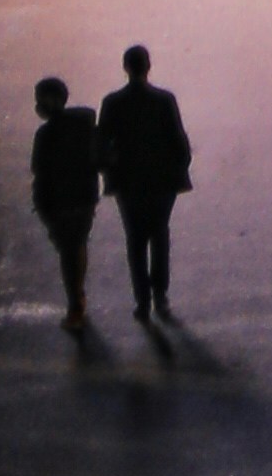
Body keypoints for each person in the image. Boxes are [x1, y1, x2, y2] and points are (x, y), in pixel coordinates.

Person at [94, 48, 192, 324]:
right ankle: (160, 294)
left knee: (135, 240)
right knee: (159, 234)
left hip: (128, 182)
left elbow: (101, 143)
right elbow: (179, 141)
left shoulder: (112, 102)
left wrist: (108, 172)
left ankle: (142, 299)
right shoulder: (164, 100)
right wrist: (179, 171)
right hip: (162, 182)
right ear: (149, 66)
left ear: (125, 67)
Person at [28, 74, 102, 337]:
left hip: (59, 203)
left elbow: (39, 172)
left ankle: (76, 304)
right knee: (76, 247)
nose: (38, 106)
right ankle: (76, 300)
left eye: (40, 100)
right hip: (83, 197)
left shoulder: (45, 135)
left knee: (68, 251)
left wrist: (44, 207)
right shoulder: (84, 121)